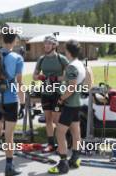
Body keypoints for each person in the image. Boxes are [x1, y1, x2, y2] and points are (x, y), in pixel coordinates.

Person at [0, 30, 25, 176]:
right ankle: (9, 167)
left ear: (1, 40)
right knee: (9, 135)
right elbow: (19, 84)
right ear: (14, 41)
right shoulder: (17, 58)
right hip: (11, 100)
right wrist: (23, 103)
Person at [48, 40, 86, 174]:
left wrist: (61, 98)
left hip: (69, 104)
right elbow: (70, 79)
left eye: (65, 49)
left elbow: (71, 86)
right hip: (77, 103)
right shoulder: (79, 64)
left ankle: (63, 163)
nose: (63, 51)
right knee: (76, 130)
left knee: (59, 132)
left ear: (68, 51)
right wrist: (55, 78)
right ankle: (75, 158)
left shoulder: (71, 66)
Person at [33, 35, 69, 153]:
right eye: (45, 44)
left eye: (49, 44)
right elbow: (34, 75)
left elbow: (71, 75)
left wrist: (56, 78)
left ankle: (60, 144)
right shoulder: (41, 59)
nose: (46, 46)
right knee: (48, 119)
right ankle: (50, 144)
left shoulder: (61, 59)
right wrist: (41, 77)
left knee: (56, 120)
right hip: (45, 93)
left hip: (58, 93)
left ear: (54, 45)